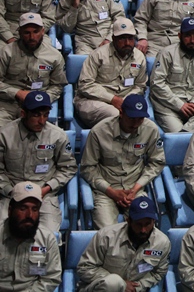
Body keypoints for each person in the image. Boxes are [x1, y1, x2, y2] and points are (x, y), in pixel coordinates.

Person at [80, 94, 165, 229]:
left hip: (134, 190)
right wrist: (111, 192)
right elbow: (87, 168)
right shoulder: (99, 132)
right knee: (107, 233)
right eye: (131, 118)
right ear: (121, 113)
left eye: (140, 119)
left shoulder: (151, 130)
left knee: (145, 229)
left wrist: (137, 187)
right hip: (106, 190)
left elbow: (157, 162)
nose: (136, 123)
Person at [0, 92, 77, 232]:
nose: (42, 121)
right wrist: (10, 191)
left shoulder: (57, 136)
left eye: (46, 114)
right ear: (23, 113)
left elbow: (68, 168)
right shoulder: (4, 135)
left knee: (49, 236)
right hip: (12, 192)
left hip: (43, 193)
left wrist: (47, 188)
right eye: (36, 115)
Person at [76, 195, 171, 291]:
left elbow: (158, 272)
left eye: (147, 224)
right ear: (128, 221)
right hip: (100, 288)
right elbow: (85, 268)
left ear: (153, 221)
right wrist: (121, 284)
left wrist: (139, 286)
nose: (143, 230)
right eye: (138, 224)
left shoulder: (162, 243)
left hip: (133, 290)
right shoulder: (106, 236)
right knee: (113, 282)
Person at [74, 17, 148, 128]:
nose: (127, 43)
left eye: (130, 38)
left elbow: (140, 86)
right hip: (94, 101)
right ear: (113, 38)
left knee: (143, 121)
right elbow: (85, 85)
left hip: (125, 101)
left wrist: (125, 101)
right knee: (119, 117)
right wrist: (112, 99)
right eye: (122, 38)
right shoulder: (98, 55)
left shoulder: (139, 57)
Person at [148, 17, 194, 133]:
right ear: (179, 36)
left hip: (192, 104)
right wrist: (180, 105)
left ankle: (185, 133)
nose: (192, 40)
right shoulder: (167, 53)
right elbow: (156, 84)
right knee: (177, 133)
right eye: (188, 35)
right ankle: (186, 134)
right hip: (168, 105)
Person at [0, 13, 66, 126]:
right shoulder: (6, 52)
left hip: (38, 107)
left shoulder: (54, 56)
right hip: (8, 104)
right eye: (27, 32)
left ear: (43, 31)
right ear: (19, 32)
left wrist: (42, 99)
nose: (32, 37)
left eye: (36, 32)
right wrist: (17, 93)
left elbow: (58, 85)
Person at [0, 182, 61, 291]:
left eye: (35, 209)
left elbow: (50, 278)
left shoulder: (47, 239)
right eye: (23, 208)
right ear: (10, 210)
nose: (29, 215)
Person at [55, 0, 125, 55]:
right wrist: (73, 7)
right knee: (83, 63)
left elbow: (119, 17)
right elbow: (66, 28)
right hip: (85, 41)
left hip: (109, 35)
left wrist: (109, 38)